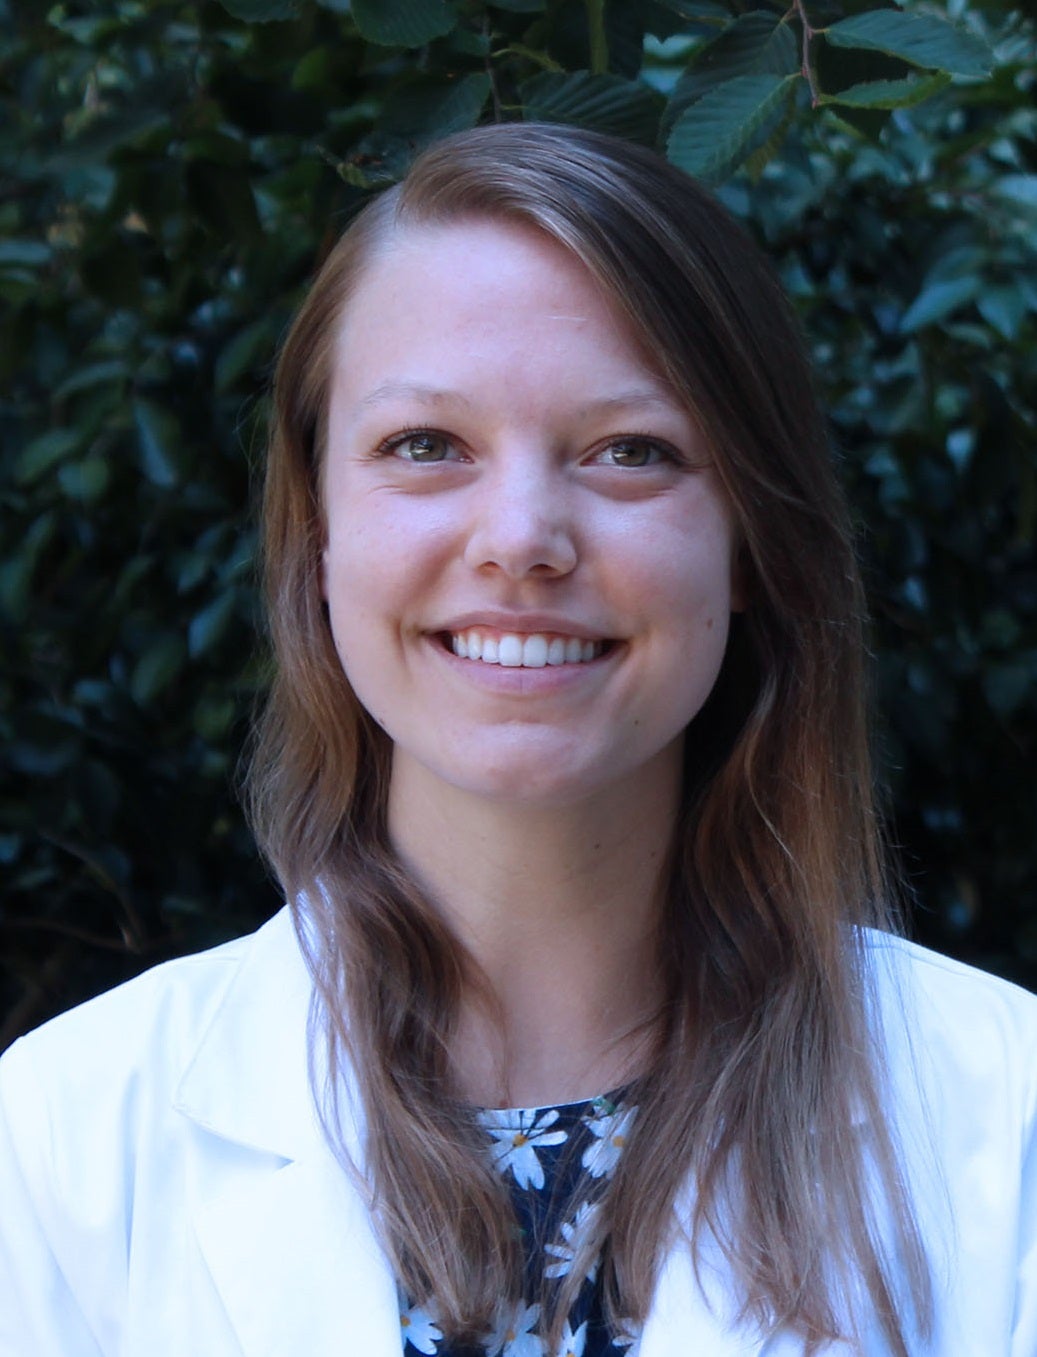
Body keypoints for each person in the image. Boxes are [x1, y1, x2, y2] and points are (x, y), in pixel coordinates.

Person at [0, 123, 1034, 1357]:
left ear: (753, 538)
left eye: (628, 451)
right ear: (318, 527)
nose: (521, 536)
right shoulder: (59, 1144)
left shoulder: (1006, 1121)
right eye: (424, 447)